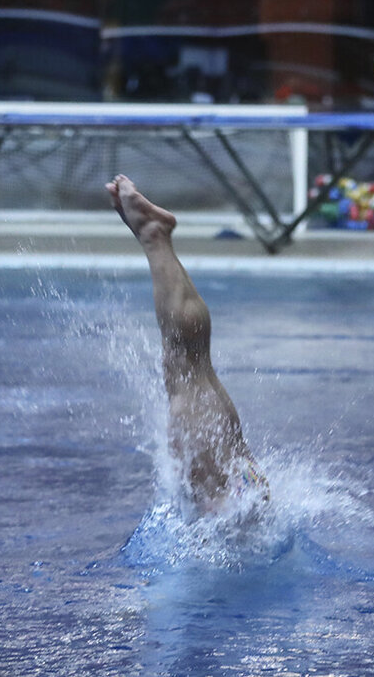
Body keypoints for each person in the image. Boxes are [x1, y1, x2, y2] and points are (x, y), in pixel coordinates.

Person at [106, 174, 268, 516]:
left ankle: (154, 238)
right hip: (237, 503)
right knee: (188, 370)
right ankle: (154, 238)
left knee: (189, 368)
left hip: (238, 502)